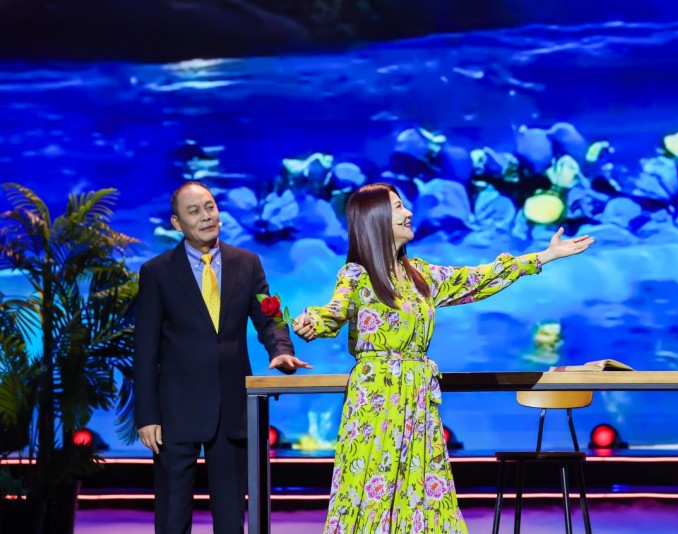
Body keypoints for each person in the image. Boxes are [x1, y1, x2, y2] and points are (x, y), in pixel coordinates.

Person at [292, 183, 594, 533]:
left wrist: (543, 257)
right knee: (374, 483)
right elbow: (334, 311)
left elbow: (477, 279)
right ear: (375, 218)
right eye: (398, 207)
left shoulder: (420, 275)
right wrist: (311, 322)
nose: (408, 213)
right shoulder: (357, 274)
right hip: (378, 398)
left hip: (418, 396)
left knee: (422, 485)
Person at [133, 181, 311, 534]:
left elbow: (270, 317)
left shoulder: (247, 263)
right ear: (176, 223)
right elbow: (145, 349)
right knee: (172, 517)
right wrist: (147, 416)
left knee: (231, 517)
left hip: (231, 408)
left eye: (210, 207)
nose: (206, 216)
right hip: (175, 410)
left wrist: (281, 351)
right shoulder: (157, 272)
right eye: (194, 211)